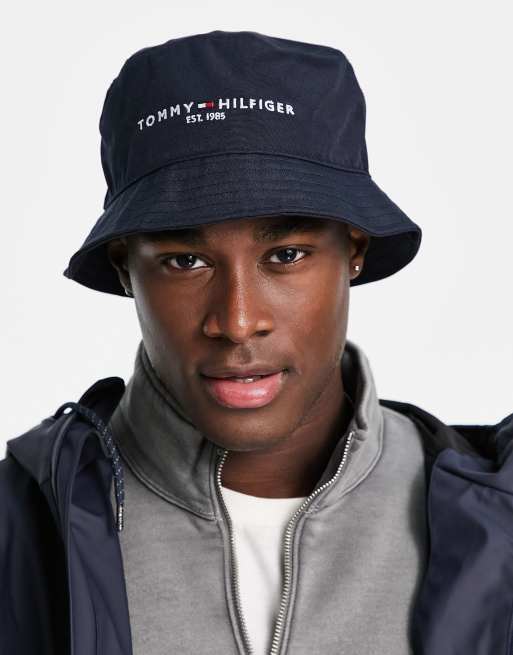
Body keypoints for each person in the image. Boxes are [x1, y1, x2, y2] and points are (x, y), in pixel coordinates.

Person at [1, 29, 512, 655]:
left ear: (353, 250)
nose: (238, 321)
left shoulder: (496, 516)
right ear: (124, 268)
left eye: (286, 255)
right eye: (185, 261)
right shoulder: (21, 528)